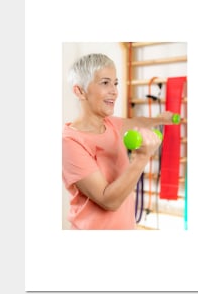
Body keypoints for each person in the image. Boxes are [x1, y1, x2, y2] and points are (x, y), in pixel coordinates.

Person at [62, 53, 176, 229]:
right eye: (105, 83)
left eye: (115, 83)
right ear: (80, 91)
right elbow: (109, 201)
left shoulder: (111, 124)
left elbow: (137, 123)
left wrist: (160, 120)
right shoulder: (69, 142)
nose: (114, 91)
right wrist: (141, 158)